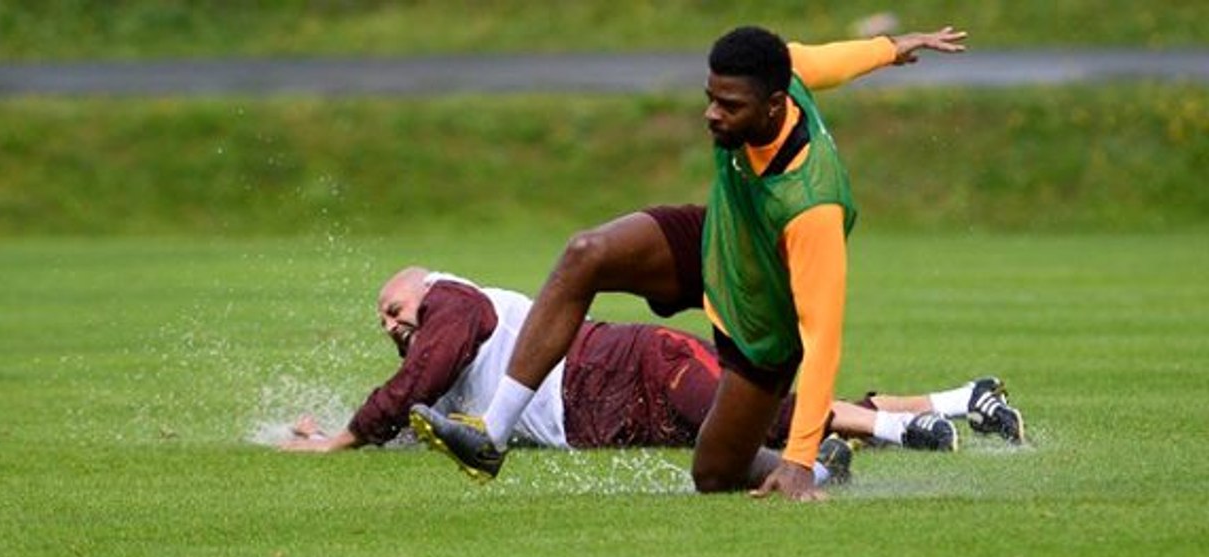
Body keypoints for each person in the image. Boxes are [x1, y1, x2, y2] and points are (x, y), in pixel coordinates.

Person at [410, 25, 969, 500]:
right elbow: (828, 60)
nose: (711, 114)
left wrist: (798, 462)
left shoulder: (812, 206)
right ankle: (490, 436)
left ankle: (825, 465)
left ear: (775, 106)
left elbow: (821, 337)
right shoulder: (780, 72)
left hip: (762, 317)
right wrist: (893, 46)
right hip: (713, 241)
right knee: (587, 254)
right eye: (710, 97)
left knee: (715, 474)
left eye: (730, 106)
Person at [282, 267, 1024, 479]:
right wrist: (349, 434)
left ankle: (902, 430)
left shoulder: (450, 302)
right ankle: (964, 399)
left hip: (633, 366)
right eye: (383, 321)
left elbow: (419, 378)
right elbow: (423, 412)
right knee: (770, 415)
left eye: (393, 307)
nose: (392, 323)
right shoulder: (436, 344)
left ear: (424, 288)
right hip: (611, 407)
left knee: (753, 421)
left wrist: (343, 440)